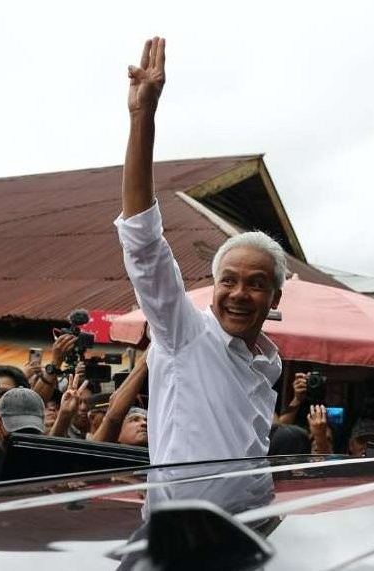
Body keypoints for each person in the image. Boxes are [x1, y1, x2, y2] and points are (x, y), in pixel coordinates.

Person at [116, 37, 287, 465]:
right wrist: (142, 119)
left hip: (244, 526)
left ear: (276, 298)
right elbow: (144, 244)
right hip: (182, 529)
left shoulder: (269, 364)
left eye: (256, 284)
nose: (238, 293)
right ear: (212, 286)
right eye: (227, 280)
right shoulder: (184, 335)